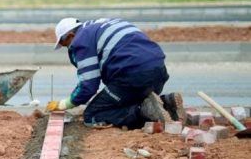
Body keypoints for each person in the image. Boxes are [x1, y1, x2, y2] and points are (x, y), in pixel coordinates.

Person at [46, 17, 185, 129]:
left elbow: (88, 86)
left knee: (93, 114)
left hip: (133, 75)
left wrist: (64, 104)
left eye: (66, 45)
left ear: (70, 35)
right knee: (125, 99)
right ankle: (167, 103)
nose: (69, 49)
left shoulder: (81, 40)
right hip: (158, 72)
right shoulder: (102, 24)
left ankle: (143, 112)